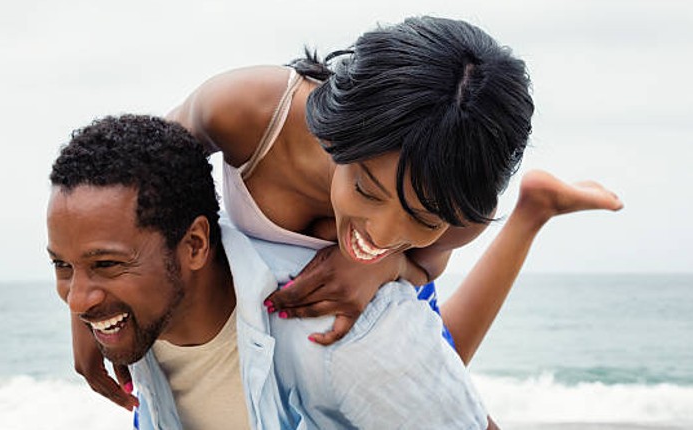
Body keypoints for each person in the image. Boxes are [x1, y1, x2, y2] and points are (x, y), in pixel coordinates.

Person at [71, 16, 624, 410]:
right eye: (366, 189)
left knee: (421, 370)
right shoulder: (247, 112)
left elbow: (425, 268)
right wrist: (90, 311)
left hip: (366, 296)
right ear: (338, 135)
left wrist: (386, 268)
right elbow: (123, 186)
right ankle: (540, 204)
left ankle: (531, 210)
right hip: (247, 298)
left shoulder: (462, 204)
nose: (383, 233)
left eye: (421, 218)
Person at [47, 115, 495, 429]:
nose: (78, 298)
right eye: (63, 266)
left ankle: (530, 213)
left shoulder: (350, 337)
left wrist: (391, 260)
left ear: (195, 245)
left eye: (106, 265)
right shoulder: (143, 321)